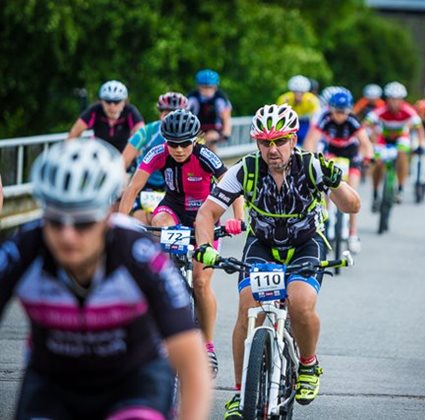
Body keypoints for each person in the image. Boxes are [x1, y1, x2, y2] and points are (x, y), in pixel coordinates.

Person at [0, 139, 211, 419]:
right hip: (53, 383)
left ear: (107, 217)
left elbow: (191, 362)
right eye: (54, 221)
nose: (67, 235)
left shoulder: (139, 254)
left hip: (134, 382)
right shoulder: (24, 248)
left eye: (84, 223)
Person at [193, 104, 361, 419]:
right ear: (257, 143)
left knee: (300, 303)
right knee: (247, 307)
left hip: (305, 245)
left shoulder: (311, 166)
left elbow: (352, 206)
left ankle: (308, 364)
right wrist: (204, 247)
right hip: (263, 245)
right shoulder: (246, 169)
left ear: (293, 139)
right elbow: (207, 213)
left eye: (280, 141)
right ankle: (242, 393)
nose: (273, 149)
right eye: (265, 142)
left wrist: (336, 181)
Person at [119, 109, 244, 378]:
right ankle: (165, 279)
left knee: (200, 282)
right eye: (172, 143)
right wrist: (119, 222)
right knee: (159, 222)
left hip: (204, 216)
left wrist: (238, 219)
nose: (178, 149)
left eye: (185, 143)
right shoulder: (158, 153)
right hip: (173, 208)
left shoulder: (205, 155)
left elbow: (233, 187)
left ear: (196, 139)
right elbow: (132, 190)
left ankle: (207, 345)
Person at [303, 90, 374, 253]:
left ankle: (352, 234)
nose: (340, 115)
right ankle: (325, 221)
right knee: (325, 189)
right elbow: (311, 140)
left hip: (351, 155)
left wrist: (368, 157)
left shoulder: (353, 121)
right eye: (337, 111)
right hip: (332, 152)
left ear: (349, 110)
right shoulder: (324, 118)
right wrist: (309, 157)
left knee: (352, 193)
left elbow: (365, 142)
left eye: (344, 111)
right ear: (331, 109)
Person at [121, 92, 189, 224]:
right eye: (166, 113)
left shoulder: (190, 134)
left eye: (175, 113)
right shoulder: (147, 132)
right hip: (146, 183)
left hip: (173, 185)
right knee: (139, 220)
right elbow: (124, 161)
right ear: (160, 113)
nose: (171, 117)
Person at [365, 81, 425, 206]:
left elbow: (419, 129)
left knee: (402, 153)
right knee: (378, 162)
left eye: (398, 99)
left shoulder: (409, 111)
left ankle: (400, 188)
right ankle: (376, 192)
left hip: (401, 138)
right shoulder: (380, 110)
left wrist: (421, 144)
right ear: (387, 99)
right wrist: (369, 137)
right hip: (384, 138)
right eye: (391, 99)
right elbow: (365, 123)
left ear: (402, 100)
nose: (394, 102)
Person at [67, 80, 144, 152]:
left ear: (124, 102)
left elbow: (142, 136)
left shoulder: (130, 111)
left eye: (116, 102)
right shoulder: (95, 110)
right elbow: (73, 134)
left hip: (123, 155)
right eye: (108, 101)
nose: (112, 106)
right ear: (101, 101)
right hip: (100, 154)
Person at [188, 68, 233, 153]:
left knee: (210, 139)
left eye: (210, 87)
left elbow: (226, 116)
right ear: (198, 87)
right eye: (204, 87)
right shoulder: (192, 98)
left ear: (215, 87)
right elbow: (184, 111)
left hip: (214, 129)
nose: (207, 91)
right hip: (196, 129)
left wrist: (226, 132)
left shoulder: (220, 99)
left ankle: (214, 162)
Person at [276, 75, 321, 145]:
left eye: (301, 93)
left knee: (308, 138)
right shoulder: (284, 99)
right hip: (290, 122)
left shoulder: (312, 100)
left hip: (306, 122)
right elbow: (278, 117)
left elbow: (317, 117)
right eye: (295, 92)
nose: (298, 95)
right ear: (292, 91)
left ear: (305, 92)